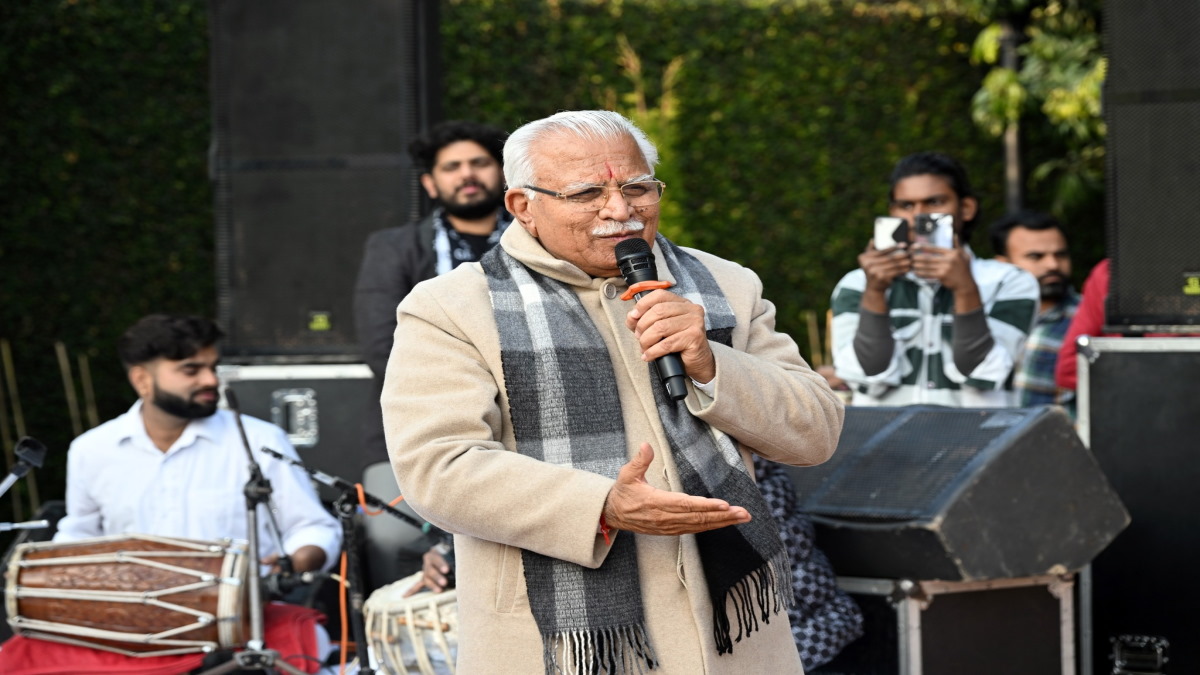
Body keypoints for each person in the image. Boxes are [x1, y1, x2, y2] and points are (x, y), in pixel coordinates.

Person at [381, 110, 844, 674]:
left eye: (638, 188)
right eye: (587, 193)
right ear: (523, 206)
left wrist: (710, 361)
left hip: (735, 642)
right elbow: (438, 467)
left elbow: (816, 433)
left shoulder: (726, 285)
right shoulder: (451, 307)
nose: (620, 210)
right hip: (557, 646)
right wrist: (601, 506)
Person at [24, 314, 343, 671]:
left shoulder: (258, 441)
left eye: (212, 367)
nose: (211, 380)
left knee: (305, 644)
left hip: (239, 624)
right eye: (192, 370)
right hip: (128, 629)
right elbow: (78, 540)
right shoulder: (92, 450)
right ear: (142, 380)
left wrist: (294, 562)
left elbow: (313, 527)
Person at [353, 120, 510, 591]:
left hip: (533, 414)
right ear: (430, 183)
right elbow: (381, 347)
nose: (468, 175)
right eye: (452, 167)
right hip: (422, 419)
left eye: (479, 163)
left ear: (503, 174)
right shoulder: (394, 249)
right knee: (396, 541)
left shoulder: (538, 242)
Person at [830, 152, 1039, 407]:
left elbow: (980, 373)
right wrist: (875, 291)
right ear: (892, 212)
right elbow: (868, 373)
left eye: (934, 202)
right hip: (885, 433)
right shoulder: (856, 284)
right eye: (906, 206)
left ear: (966, 208)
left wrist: (965, 289)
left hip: (975, 433)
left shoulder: (1011, 282)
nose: (918, 217)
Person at [989, 210, 1080, 413]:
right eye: (1035, 257)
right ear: (1002, 265)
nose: (1052, 265)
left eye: (1061, 255)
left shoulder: (1087, 320)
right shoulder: (982, 317)